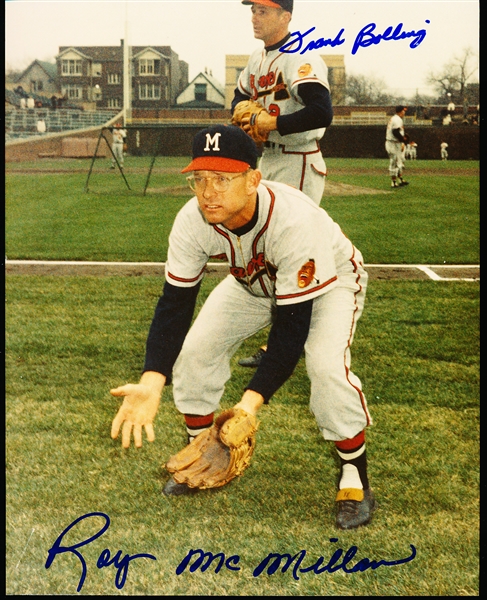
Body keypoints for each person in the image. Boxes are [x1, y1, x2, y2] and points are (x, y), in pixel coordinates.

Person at [110, 124, 376, 530]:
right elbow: (174, 305)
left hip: (330, 283)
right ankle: (201, 451)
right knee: (195, 352)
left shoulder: (294, 221)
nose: (207, 191)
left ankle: (354, 476)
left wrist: (248, 406)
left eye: (222, 178)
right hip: (253, 283)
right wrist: (151, 381)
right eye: (199, 179)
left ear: (253, 180)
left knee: (325, 366)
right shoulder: (192, 220)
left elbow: (289, 334)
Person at [231, 0, 334, 367]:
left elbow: (322, 111)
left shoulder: (301, 55)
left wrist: (272, 124)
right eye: (253, 10)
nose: (254, 16)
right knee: (274, 251)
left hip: (299, 160)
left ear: (285, 17)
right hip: (269, 159)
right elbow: (241, 97)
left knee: (294, 251)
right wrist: (244, 117)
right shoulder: (257, 61)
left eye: (263, 10)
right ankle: (287, 339)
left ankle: (284, 345)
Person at [385, 105, 409, 189]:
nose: (404, 112)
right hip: (393, 143)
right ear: (400, 111)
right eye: (403, 111)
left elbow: (398, 131)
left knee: (399, 161)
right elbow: (395, 132)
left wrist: (403, 137)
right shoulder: (397, 119)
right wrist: (403, 139)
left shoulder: (396, 119)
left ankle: (399, 179)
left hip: (395, 143)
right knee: (394, 161)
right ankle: (393, 182)